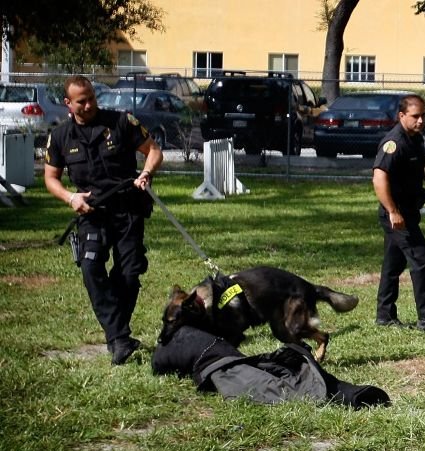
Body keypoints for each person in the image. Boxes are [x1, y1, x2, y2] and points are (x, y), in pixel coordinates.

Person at [44, 75, 163, 365]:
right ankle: (119, 338)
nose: (88, 105)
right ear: (68, 104)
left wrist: (145, 173)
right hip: (92, 212)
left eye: (91, 98)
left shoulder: (121, 122)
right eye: (81, 101)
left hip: (127, 208)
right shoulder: (60, 137)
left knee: (130, 272)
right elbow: (51, 178)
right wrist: (71, 198)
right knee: (90, 266)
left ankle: (117, 336)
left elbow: (154, 152)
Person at [153, 325, 390, 408]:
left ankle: (339, 392)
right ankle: (341, 392)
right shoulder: (175, 346)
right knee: (279, 380)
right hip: (221, 359)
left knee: (279, 381)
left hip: (219, 359)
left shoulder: (172, 346)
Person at [372, 94, 425, 333]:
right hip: (397, 216)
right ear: (401, 116)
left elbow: (422, 163)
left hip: (408, 210)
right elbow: (379, 178)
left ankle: (385, 315)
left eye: (422, 116)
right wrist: (393, 211)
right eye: (414, 116)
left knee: (393, 264)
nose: (420, 121)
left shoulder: (415, 138)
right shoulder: (393, 142)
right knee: (421, 258)